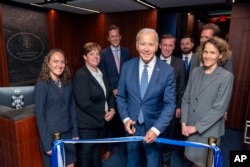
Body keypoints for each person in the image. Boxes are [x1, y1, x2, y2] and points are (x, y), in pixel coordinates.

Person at [116, 28, 176, 167]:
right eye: (143, 44)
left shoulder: (167, 71)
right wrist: (125, 119)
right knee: (132, 161)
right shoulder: (127, 66)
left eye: (150, 44)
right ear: (137, 45)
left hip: (154, 126)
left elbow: (170, 104)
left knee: (153, 162)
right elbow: (120, 97)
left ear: (156, 46)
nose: (146, 49)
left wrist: (156, 129)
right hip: (132, 126)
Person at [181, 36, 234, 167]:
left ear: (220, 55)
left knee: (207, 164)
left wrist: (195, 128)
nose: (207, 56)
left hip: (209, 132)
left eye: (212, 52)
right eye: (205, 51)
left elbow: (219, 109)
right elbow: (186, 99)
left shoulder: (226, 77)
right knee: (194, 162)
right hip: (190, 127)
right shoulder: (195, 72)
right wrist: (183, 122)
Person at [72, 42, 116, 167]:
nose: (96, 56)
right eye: (92, 54)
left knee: (96, 152)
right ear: (85, 57)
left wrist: (112, 109)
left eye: (98, 54)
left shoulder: (101, 72)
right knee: (85, 154)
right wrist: (104, 114)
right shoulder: (80, 75)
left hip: (102, 123)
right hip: (88, 126)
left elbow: (109, 94)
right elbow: (84, 103)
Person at [34, 49, 79, 167]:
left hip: (68, 133)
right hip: (51, 137)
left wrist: (75, 131)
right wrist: (46, 144)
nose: (59, 65)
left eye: (62, 62)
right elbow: (40, 117)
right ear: (48, 63)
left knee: (71, 164)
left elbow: (72, 108)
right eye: (56, 61)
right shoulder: (41, 85)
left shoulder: (67, 83)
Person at [99, 25, 132, 161]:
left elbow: (130, 73)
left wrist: (122, 88)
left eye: (117, 35)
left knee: (127, 122)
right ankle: (110, 149)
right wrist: (112, 89)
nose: (115, 38)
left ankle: (129, 150)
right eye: (112, 36)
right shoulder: (103, 54)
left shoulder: (127, 52)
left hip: (126, 94)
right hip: (111, 94)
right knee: (111, 124)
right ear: (108, 38)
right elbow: (103, 75)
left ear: (121, 36)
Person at [159, 34, 186, 167]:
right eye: (165, 45)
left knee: (169, 134)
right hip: (153, 107)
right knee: (154, 132)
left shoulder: (179, 63)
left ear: (174, 47)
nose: (167, 48)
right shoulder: (151, 60)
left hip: (171, 106)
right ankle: (153, 158)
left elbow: (181, 87)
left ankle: (166, 160)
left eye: (170, 45)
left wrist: (179, 106)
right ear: (159, 46)